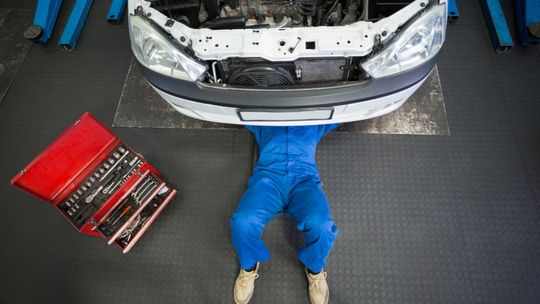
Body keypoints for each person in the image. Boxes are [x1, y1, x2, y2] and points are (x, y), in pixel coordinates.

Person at [231, 125, 340, 304]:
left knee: (322, 225)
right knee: (242, 222)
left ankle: (314, 269)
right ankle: (249, 265)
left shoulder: (314, 119)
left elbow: (345, 111)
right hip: (268, 180)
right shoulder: (264, 118)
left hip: (304, 181)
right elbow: (235, 108)